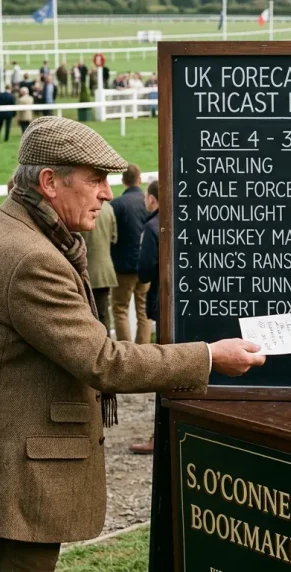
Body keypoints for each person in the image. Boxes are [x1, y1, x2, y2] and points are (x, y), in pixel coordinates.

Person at [0, 116, 264, 572]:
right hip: (10, 482)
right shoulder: (30, 258)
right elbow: (102, 361)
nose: (107, 192)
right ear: (49, 182)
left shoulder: (4, 229)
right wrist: (208, 356)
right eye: (96, 179)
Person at [129, 180, 162, 455]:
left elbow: (145, 271)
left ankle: (159, 435)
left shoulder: (152, 227)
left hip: (165, 302)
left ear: (152, 199)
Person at [111, 165, 152, 344]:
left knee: (120, 309)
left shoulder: (117, 205)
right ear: (140, 180)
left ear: (123, 181)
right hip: (144, 266)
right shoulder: (147, 203)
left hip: (122, 267)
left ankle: (125, 351)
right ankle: (143, 350)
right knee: (143, 310)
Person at [80, 183, 118, 329]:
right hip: (105, 270)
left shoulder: (81, 210)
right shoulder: (108, 208)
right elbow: (114, 237)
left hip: (86, 271)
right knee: (103, 315)